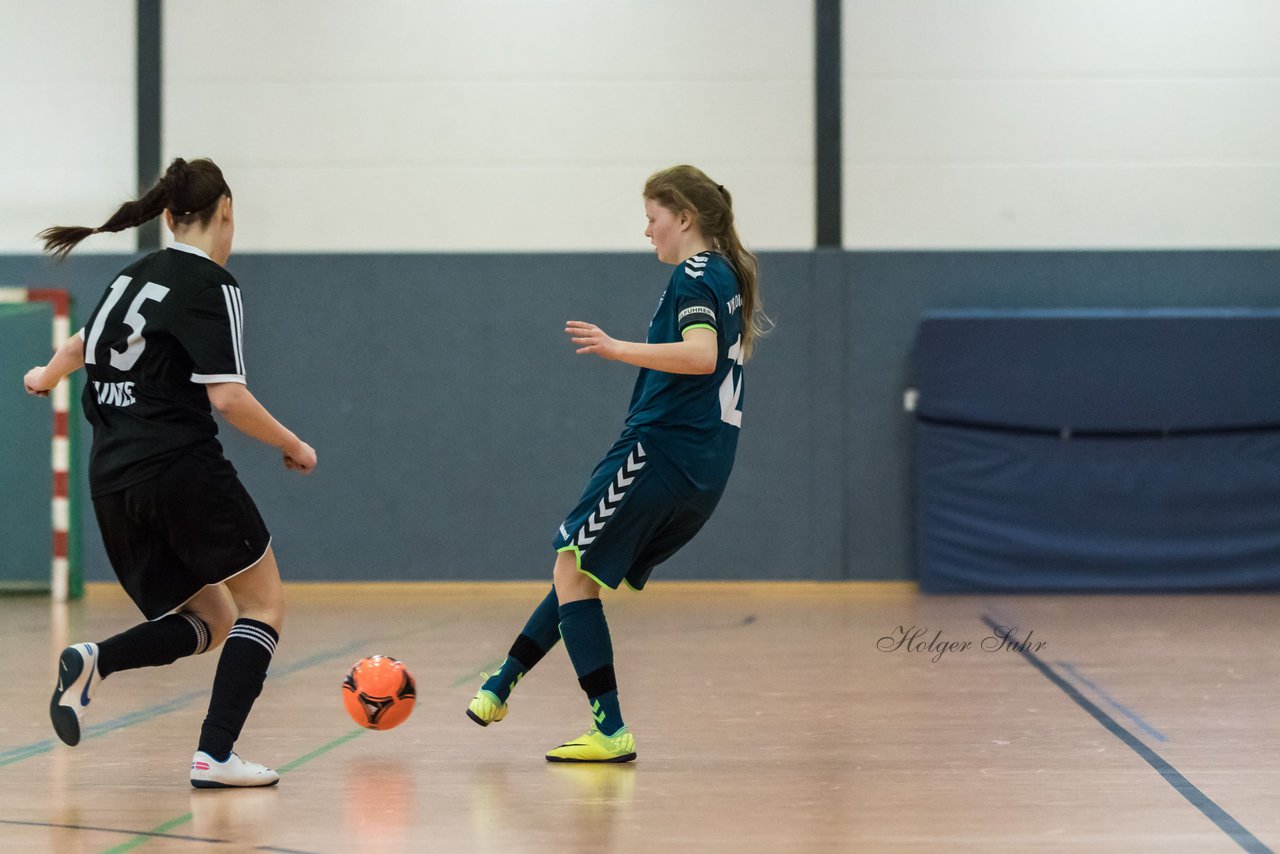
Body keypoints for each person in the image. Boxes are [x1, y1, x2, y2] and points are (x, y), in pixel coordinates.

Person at [23, 157, 316, 788]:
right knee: (263, 604)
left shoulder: (129, 278)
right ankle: (215, 754)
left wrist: (43, 376)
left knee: (209, 619)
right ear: (226, 215)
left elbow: (79, 345)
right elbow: (228, 398)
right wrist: (293, 443)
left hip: (111, 482)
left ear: (164, 215)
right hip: (179, 470)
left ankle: (92, 661)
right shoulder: (213, 286)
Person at [466, 164, 767, 762]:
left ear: (684, 218)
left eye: (653, 219)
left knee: (571, 564)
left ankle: (609, 729)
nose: (647, 231)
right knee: (578, 572)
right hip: (703, 468)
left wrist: (615, 347)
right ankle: (501, 685)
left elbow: (701, 355)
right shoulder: (726, 273)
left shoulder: (696, 273)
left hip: (659, 451)